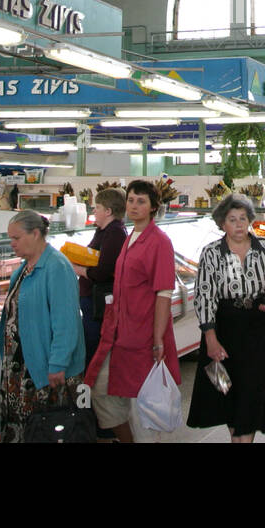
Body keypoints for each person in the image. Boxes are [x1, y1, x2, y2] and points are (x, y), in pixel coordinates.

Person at [85, 179, 181, 443]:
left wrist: (159, 338)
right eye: (131, 200)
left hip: (144, 335)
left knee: (143, 405)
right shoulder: (130, 238)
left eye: (141, 201)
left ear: (152, 207)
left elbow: (163, 293)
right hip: (119, 332)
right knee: (103, 392)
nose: (134, 206)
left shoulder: (159, 242)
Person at [187, 194, 265, 441]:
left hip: (256, 328)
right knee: (225, 388)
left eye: (243, 218)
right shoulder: (211, 253)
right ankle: (235, 438)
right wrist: (210, 337)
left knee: (252, 389)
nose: (239, 224)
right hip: (223, 327)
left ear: (250, 220)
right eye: (232, 219)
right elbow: (204, 295)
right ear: (222, 224)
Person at [0, 210, 86, 443]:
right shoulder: (24, 269)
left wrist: (58, 362)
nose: (12, 243)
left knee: (45, 430)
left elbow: (66, 321)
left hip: (45, 372)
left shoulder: (56, 267)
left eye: (16, 238)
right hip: (21, 369)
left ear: (35, 234)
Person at [70, 187, 128, 362]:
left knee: (93, 344)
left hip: (98, 301)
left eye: (98, 207)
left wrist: (77, 269)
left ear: (108, 211)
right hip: (90, 299)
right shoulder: (103, 231)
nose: (94, 211)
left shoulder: (115, 233)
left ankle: (89, 384)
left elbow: (103, 272)